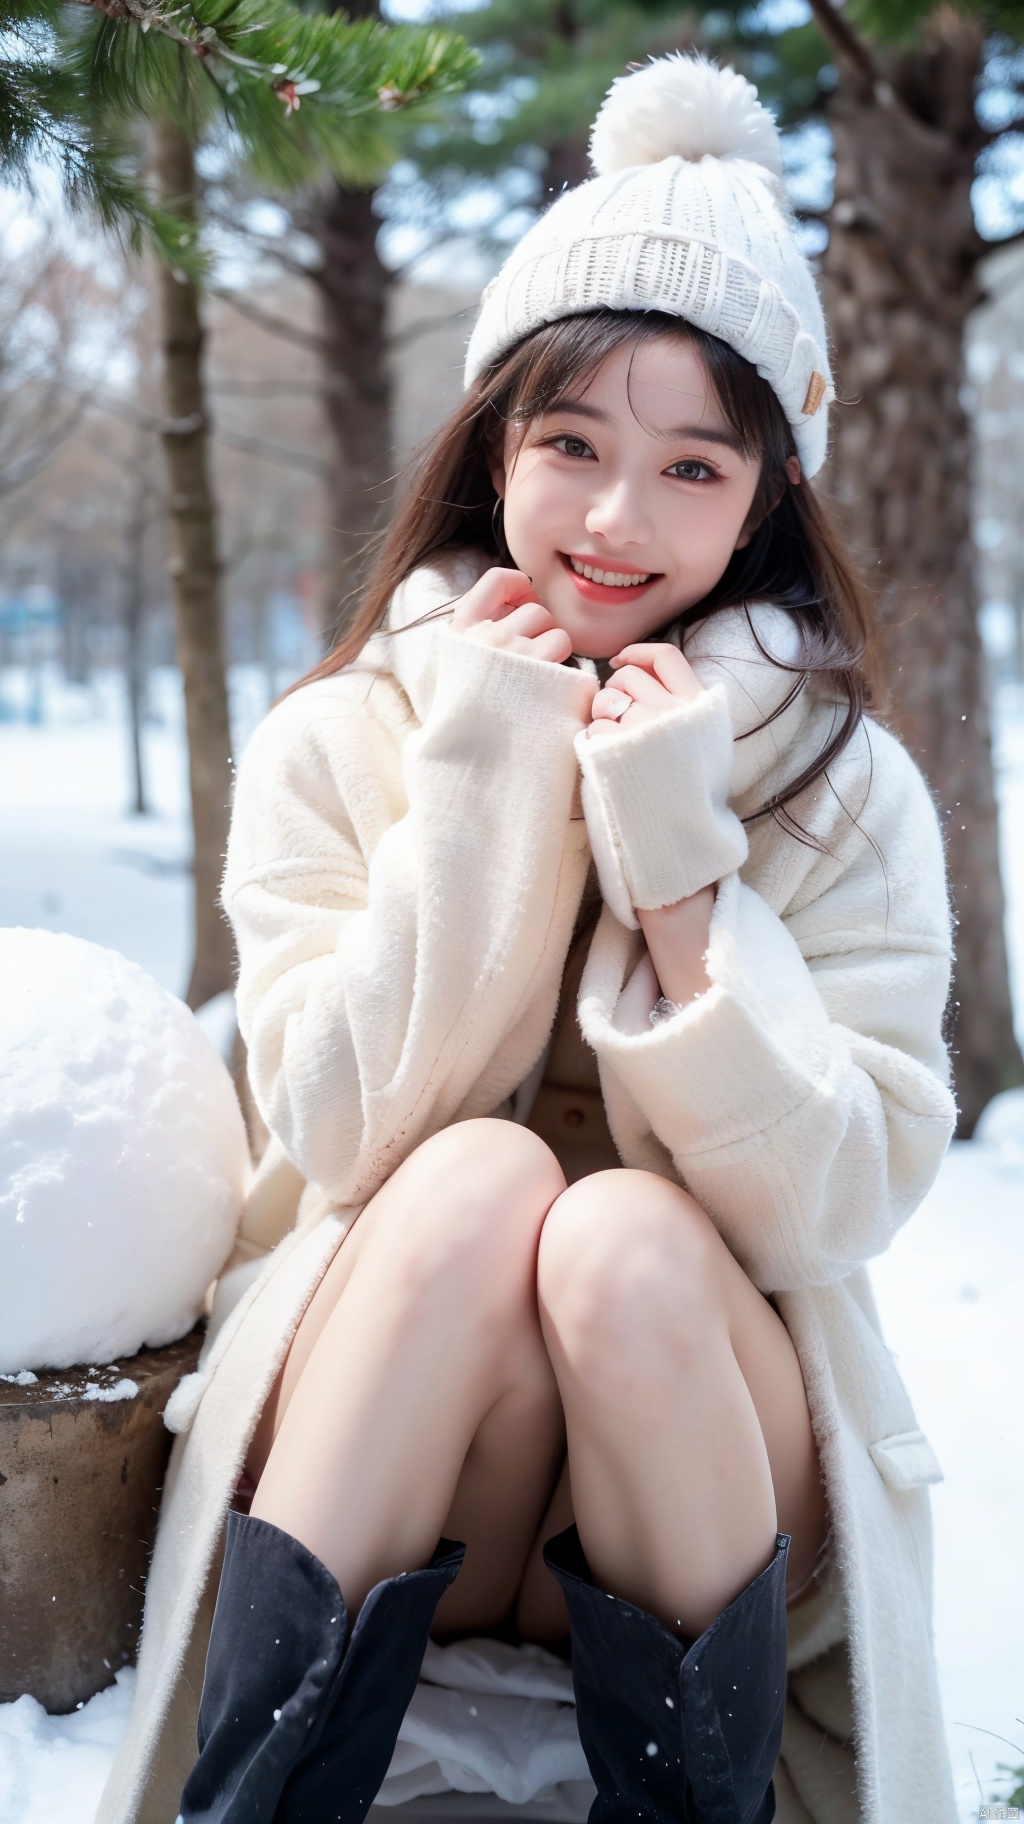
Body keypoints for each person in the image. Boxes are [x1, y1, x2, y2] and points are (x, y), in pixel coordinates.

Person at [96, 51, 960, 1824]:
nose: (616, 521)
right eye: (570, 444)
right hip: (402, 1430)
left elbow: (835, 1205)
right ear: (496, 441)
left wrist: (685, 881)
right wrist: (489, 780)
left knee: (624, 1239)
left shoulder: (847, 791)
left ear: (769, 493)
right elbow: (341, 1137)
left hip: (704, 1460)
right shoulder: (342, 737)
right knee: (482, 1186)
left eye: (691, 465)